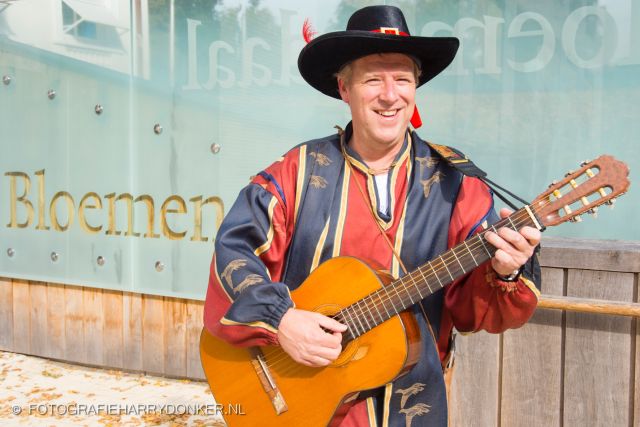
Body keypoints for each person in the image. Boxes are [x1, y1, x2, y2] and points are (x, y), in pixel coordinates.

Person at [203, 5, 541, 426]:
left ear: (415, 88)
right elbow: (235, 250)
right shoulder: (298, 170)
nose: (389, 94)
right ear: (344, 89)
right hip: (305, 399)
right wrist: (282, 320)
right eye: (372, 79)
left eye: (402, 78)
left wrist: (506, 272)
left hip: (414, 405)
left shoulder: (457, 183)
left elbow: (479, 311)